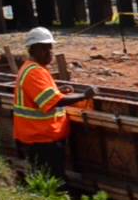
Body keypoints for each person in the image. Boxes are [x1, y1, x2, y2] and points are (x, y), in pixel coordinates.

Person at [13, 27, 97, 179]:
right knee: (53, 180)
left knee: (46, 177)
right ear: (33, 50)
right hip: (42, 138)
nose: (49, 52)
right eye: (44, 49)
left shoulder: (33, 69)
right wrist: (83, 96)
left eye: (50, 48)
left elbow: (43, 96)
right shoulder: (35, 72)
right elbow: (53, 102)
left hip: (39, 137)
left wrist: (58, 90)